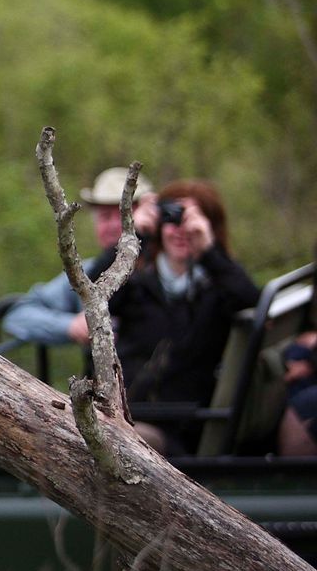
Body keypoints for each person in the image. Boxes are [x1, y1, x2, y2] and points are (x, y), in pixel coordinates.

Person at [108, 180, 259, 455]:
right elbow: (94, 292)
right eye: (172, 219)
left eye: (192, 220)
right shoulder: (138, 283)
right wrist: (133, 235)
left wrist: (208, 252)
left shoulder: (218, 288)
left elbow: (252, 302)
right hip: (122, 412)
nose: (181, 231)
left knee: (115, 439)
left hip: (179, 428)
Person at [2, 166, 152, 348]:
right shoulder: (85, 274)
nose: (114, 225)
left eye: (124, 215)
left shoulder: (168, 269)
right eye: (105, 217)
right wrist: (71, 326)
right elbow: (19, 316)